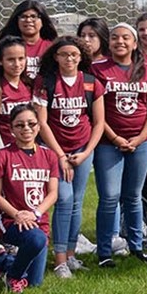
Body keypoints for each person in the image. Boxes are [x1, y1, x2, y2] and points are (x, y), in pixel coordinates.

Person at [91, 22, 147, 266]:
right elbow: (95, 111)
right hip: (108, 142)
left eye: (125, 38)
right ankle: (104, 251)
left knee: (133, 196)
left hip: (140, 142)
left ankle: (137, 246)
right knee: (110, 196)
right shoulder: (98, 68)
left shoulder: (145, 70)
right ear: (108, 43)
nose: (120, 42)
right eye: (114, 38)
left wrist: (141, 138)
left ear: (134, 43)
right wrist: (115, 138)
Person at [38, 37, 104, 279]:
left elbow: (99, 122)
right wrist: (60, 155)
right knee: (63, 199)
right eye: (64, 54)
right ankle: (59, 260)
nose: (69, 59)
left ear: (81, 57)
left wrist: (86, 152)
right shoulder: (46, 83)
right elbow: (42, 122)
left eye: (74, 55)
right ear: (55, 56)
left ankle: (71, 254)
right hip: (56, 150)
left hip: (83, 149)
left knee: (76, 201)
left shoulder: (90, 83)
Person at [0, 106, 58, 292]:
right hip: (11, 220)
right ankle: (13, 276)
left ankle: (2, 260)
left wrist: (35, 214)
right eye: (20, 125)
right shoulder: (2, 156)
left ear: (39, 127)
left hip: (37, 220)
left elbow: (53, 193)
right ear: (11, 129)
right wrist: (17, 215)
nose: (26, 128)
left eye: (31, 124)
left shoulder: (49, 155)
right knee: (35, 240)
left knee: (34, 283)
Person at [0, 36, 41, 158]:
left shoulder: (29, 85)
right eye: (11, 60)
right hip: (2, 152)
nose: (17, 64)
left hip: (28, 150)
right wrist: (2, 155)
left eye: (21, 58)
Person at [0, 0, 58, 82]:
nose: (28, 20)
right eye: (23, 17)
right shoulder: (7, 47)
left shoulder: (52, 47)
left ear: (42, 21)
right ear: (17, 21)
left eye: (33, 16)